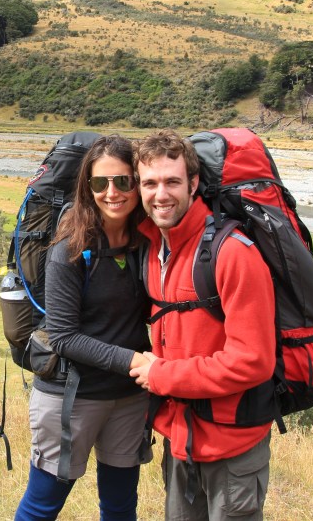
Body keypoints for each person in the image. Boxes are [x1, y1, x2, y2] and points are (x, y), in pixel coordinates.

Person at [128, 130, 275, 521]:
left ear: (193, 184)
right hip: (180, 441)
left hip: (232, 450)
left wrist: (161, 376)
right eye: (150, 183)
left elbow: (253, 361)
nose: (161, 194)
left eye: (172, 182)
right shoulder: (153, 248)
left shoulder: (232, 253)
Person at [15, 134, 154, 521]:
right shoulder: (69, 249)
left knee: (120, 507)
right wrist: (136, 361)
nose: (112, 192)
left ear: (137, 183)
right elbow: (63, 337)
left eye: (123, 181)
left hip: (128, 397)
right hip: (71, 397)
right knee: (42, 506)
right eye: (100, 183)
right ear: (87, 187)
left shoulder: (146, 242)